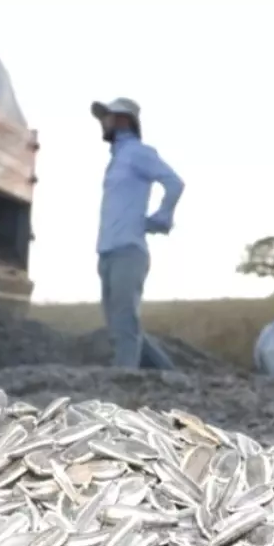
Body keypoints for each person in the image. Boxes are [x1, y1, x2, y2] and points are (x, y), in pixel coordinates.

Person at [91, 97, 185, 370]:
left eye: (106, 117)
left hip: (128, 250)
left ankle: (123, 382)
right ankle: (171, 377)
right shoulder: (118, 159)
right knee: (120, 325)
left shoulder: (138, 153)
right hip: (108, 249)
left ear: (122, 120)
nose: (102, 123)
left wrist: (163, 216)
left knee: (124, 324)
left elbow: (174, 183)